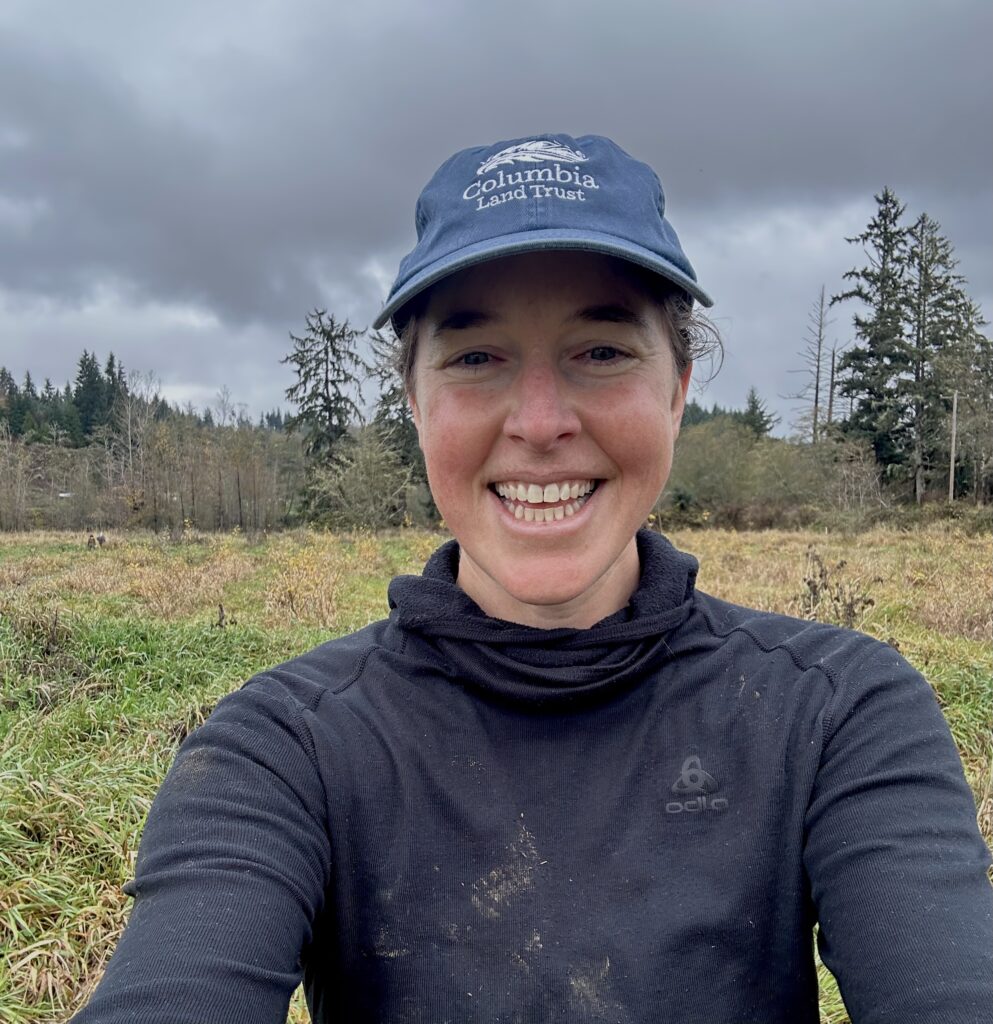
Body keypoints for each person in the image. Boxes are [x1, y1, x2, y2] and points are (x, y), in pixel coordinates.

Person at [72, 133, 992, 1023]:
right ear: (415, 402)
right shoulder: (284, 748)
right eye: (476, 358)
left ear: (677, 390)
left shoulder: (836, 710)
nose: (540, 422)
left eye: (601, 352)